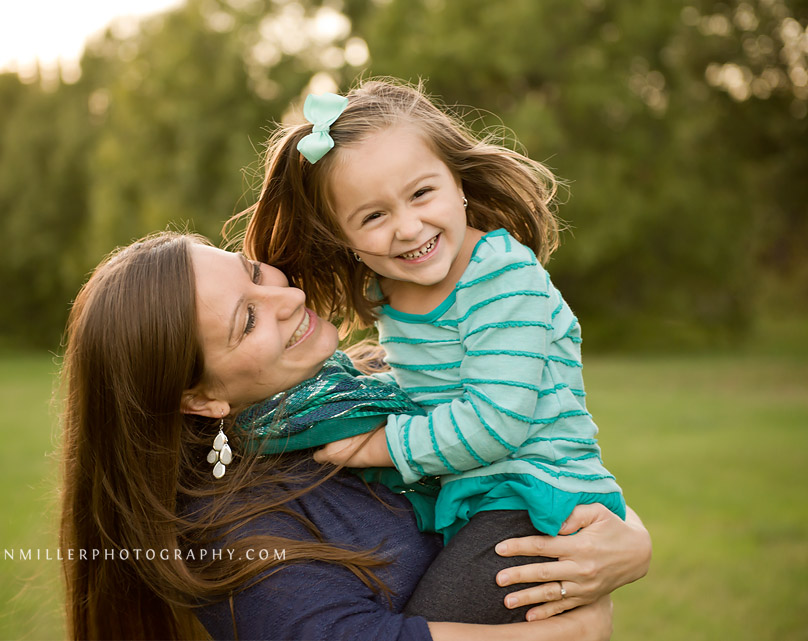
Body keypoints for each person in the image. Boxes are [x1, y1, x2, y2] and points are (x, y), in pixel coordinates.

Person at [59, 231, 650, 640]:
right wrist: (572, 631)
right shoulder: (226, 529)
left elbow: (545, 464)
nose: (288, 297)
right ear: (199, 398)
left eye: (255, 273)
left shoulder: (375, 384)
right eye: (248, 318)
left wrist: (630, 544)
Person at [238, 79, 626, 623]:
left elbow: (496, 423)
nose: (408, 227)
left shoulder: (500, 275)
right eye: (373, 217)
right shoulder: (385, 289)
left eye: (422, 193)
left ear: (458, 181)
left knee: (436, 621)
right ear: (343, 238)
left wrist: (375, 448)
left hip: (534, 497)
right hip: (479, 494)